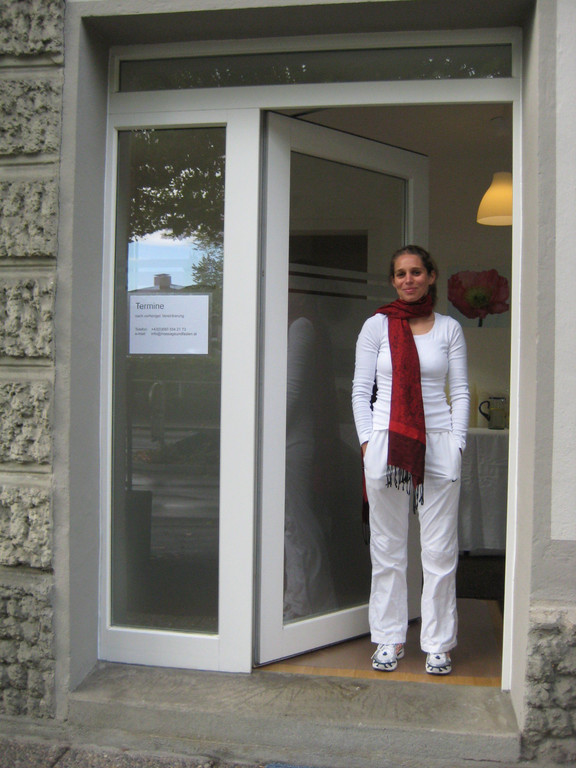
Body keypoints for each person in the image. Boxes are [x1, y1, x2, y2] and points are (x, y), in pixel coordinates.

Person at [351, 245, 469, 675]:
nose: (408, 280)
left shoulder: (449, 329)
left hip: (437, 443)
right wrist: (368, 443)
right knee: (387, 549)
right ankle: (388, 637)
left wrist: (457, 444)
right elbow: (361, 391)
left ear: (431, 276)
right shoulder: (376, 326)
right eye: (400, 274)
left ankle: (438, 643)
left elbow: (460, 392)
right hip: (388, 444)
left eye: (416, 272)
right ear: (393, 280)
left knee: (439, 551)